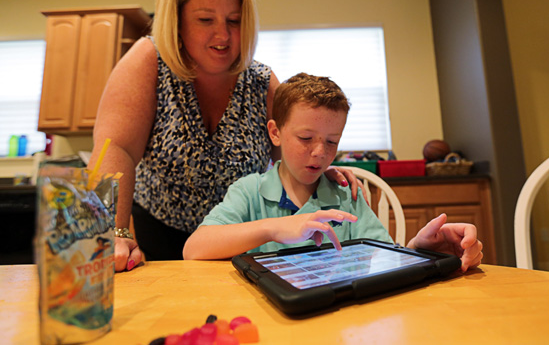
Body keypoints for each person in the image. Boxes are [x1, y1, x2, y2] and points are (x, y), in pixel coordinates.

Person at [88, 0, 360, 272]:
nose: (223, 35)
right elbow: (114, 149)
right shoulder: (149, 62)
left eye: (234, 20)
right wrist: (113, 232)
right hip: (159, 236)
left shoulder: (260, 81)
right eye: (205, 20)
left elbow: (293, 146)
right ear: (177, 20)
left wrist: (317, 165)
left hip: (239, 240)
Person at [184, 74, 483, 273]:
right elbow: (194, 249)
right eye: (305, 139)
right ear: (275, 133)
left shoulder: (345, 195)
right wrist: (275, 228)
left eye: (331, 141)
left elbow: (384, 260)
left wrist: (422, 248)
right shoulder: (250, 191)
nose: (319, 153)